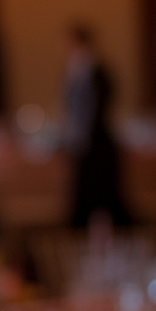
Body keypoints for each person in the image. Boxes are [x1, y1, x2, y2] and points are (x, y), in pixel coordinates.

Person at [63, 24, 130, 228]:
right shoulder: (75, 69)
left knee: (101, 197)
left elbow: (98, 109)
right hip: (86, 142)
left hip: (97, 143)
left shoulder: (95, 70)